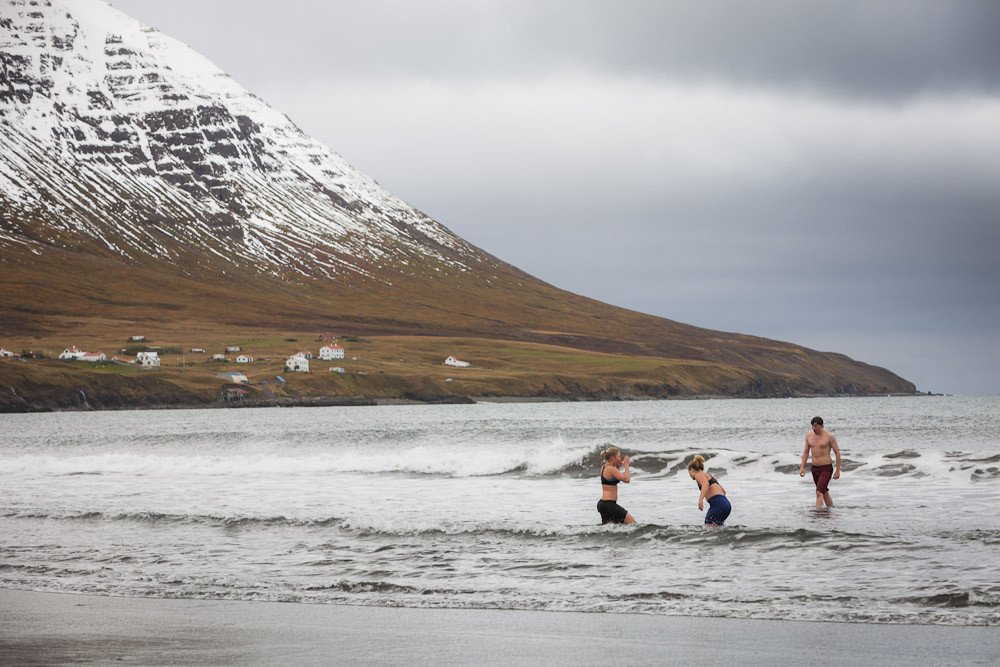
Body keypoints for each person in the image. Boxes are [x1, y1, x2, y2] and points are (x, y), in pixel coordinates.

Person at [800, 416, 841, 507]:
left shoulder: (829, 436)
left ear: (822, 426)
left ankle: (818, 514)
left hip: (826, 468)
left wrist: (837, 470)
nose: (815, 429)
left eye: (817, 426)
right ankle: (831, 509)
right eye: (813, 426)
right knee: (824, 491)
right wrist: (802, 467)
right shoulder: (809, 436)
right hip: (814, 468)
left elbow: (837, 452)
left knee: (819, 492)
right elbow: (806, 452)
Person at [687, 455, 731, 526]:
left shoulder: (698, 474)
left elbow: (705, 484)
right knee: (717, 529)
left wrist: (700, 499)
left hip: (718, 504)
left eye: (689, 473)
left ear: (692, 470)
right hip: (726, 505)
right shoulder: (709, 476)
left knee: (708, 529)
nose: (690, 476)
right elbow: (723, 491)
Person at [597, 447, 636, 525]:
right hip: (609, 504)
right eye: (618, 457)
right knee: (632, 524)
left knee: (610, 530)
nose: (619, 458)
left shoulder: (604, 467)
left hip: (603, 504)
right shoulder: (611, 469)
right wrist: (626, 466)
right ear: (612, 457)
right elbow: (627, 479)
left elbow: (613, 477)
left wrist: (617, 465)